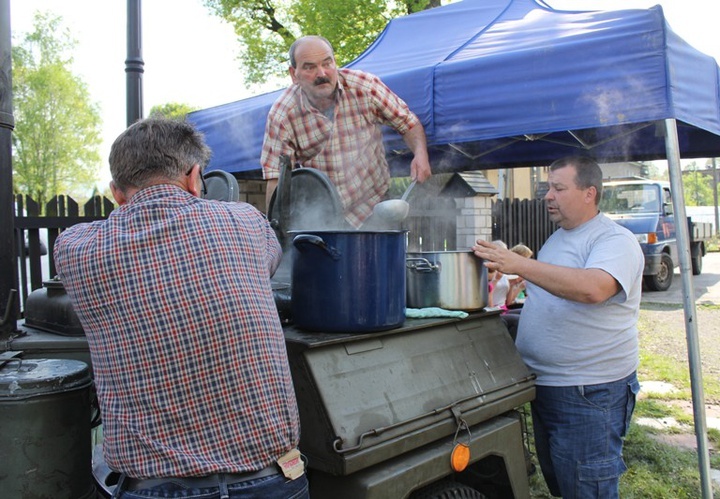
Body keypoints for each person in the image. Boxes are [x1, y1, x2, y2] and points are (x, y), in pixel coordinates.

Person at [54, 118, 308, 499]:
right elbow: (268, 264)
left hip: (152, 490)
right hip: (271, 481)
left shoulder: (75, 249)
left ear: (116, 193)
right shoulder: (246, 222)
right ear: (194, 178)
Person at [472, 156, 644, 498]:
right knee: (564, 483)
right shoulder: (558, 239)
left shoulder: (614, 240)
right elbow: (549, 296)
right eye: (548, 187)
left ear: (588, 193)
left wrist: (520, 263)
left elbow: (592, 288)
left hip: (590, 391)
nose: (547, 195)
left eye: (558, 188)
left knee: (586, 488)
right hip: (548, 385)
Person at [261, 35, 432, 227]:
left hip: (376, 205)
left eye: (327, 63)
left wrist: (420, 153)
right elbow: (276, 178)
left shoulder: (365, 87)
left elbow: (408, 123)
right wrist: (274, 232)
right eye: (310, 67)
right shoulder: (282, 114)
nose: (321, 73)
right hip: (323, 217)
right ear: (294, 74)